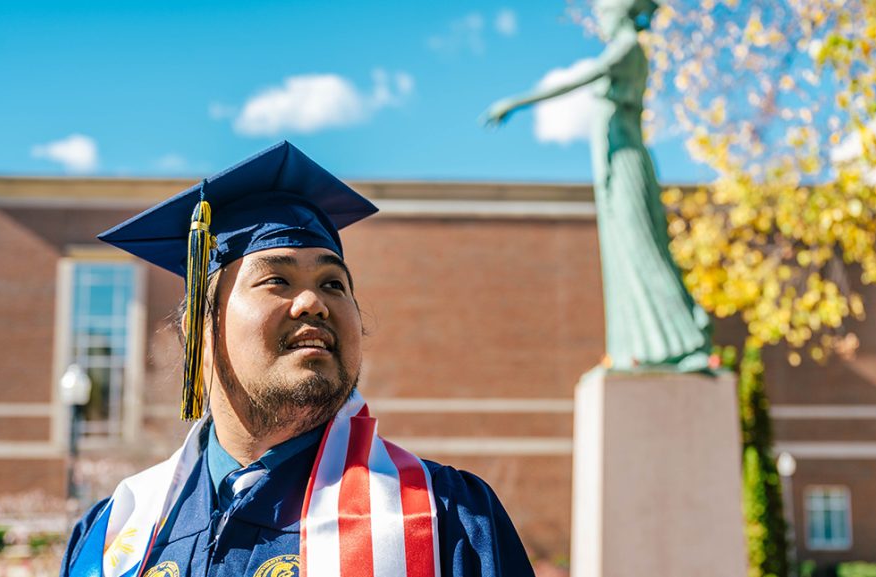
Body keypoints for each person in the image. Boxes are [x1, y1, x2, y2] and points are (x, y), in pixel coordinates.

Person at [59, 141, 534, 577]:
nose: (314, 303)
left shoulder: (447, 519)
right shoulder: (113, 535)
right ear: (200, 330)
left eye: (333, 284)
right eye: (276, 281)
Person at [484, 0, 711, 373]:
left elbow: (577, 80)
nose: (601, 22)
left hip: (626, 163)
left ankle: (684, 341)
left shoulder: (626, 48)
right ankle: (639, 347)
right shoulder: (626, 48)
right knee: (624, 256)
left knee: (642, 251)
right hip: (615, 166)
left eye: (603, 14)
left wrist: (515, 102)